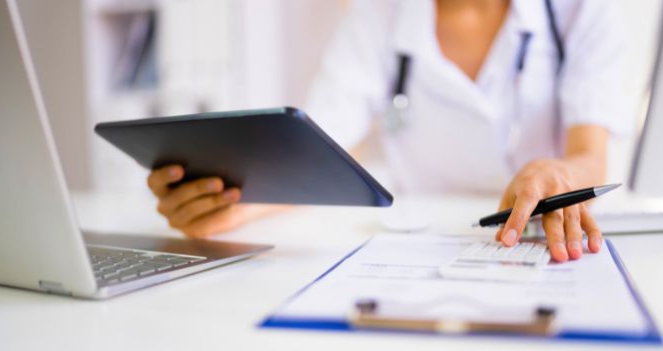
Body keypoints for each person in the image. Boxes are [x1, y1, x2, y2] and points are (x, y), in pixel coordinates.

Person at [146, 0, 627, 263]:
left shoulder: (582, 10)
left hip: (547, 244)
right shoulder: (377, 16)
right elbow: (316, 148)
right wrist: (231, 202)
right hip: (426, 250)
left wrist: (553, 172)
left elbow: (590, 155)